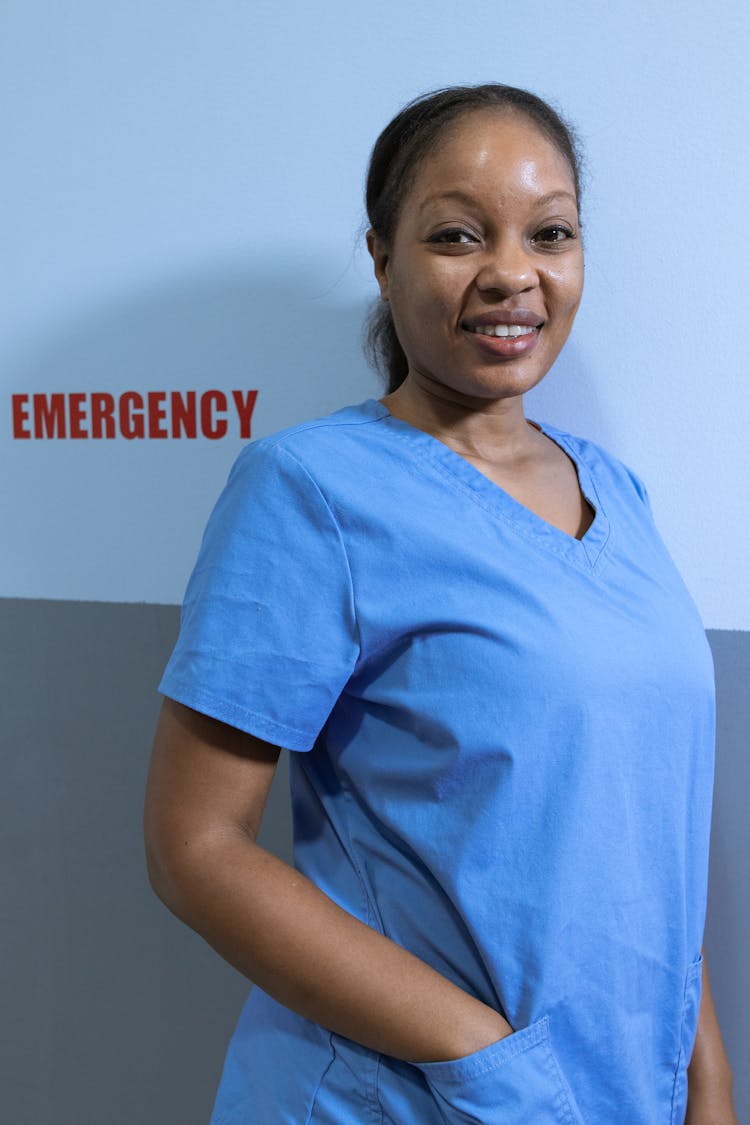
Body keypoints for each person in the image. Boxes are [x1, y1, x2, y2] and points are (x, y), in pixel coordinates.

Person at [144, 84, 737, 1123]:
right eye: (459, 236)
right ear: (382, 259)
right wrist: (481, 1052)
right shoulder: (314, 490)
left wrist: (706, 1079)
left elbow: (644, 832)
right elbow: (196, 850)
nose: (513, 273)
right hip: (412, 1098)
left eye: (550, 233)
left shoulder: (621, 498)